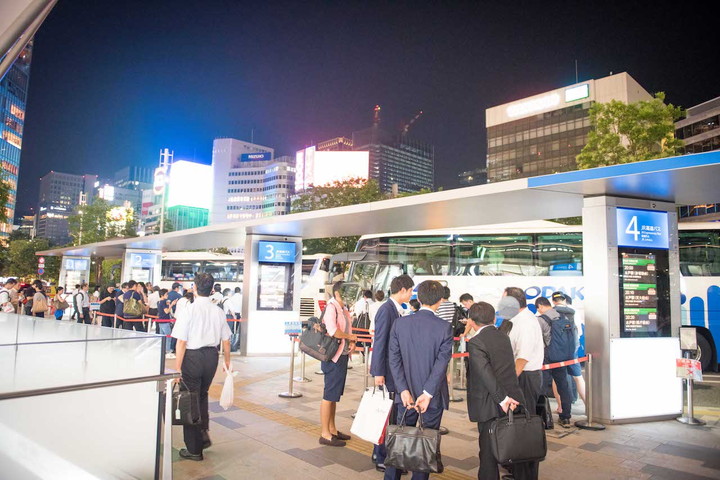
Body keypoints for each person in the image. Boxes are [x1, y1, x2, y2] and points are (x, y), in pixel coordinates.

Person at [385, 280, 453, 480]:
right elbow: (441, 364)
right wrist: (427, 393)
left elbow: (394, 360)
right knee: (426, 444)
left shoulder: (401, 323)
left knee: (399, 440)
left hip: (405, 397)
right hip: (431, 399)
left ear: (418, 297)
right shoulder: (444, 328)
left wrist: (403, 390)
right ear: (440, 301)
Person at [172, 273, 232, 461]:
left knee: (190, 400)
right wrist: (227, 361)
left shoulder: (188, 310)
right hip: (211, 357)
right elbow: (226, 340)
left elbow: (181, 342)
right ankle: (203, 434)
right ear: (212, 289)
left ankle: (194, 449)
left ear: (195, 288)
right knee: (202, 396)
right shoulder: (218, 311)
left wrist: (176, 369)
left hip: (193, 357)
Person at [465, 302, 524, 480]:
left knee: (488, 451)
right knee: (508, 441)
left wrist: (502, 399)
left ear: (471, 322)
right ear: (494, 319)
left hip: (491, 403)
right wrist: (507, 398)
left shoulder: (476, 342)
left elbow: (485, 374)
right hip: (511, 399)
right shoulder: (503, 336)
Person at [370, 274, 414, 472]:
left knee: (388, 413)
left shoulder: (396, 309)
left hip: (390, 370)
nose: (412, 294)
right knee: (386, 415)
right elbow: (379, 342)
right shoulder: (386, 310)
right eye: (411, 290)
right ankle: (381, 456)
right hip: (386, 372)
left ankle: (379, 452)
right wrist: (378, 372)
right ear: (403, 290)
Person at [503, 287, 544, 479]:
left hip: (525, 377)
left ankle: (526, 474)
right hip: (522, 377)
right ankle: (518, 469)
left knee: (524, 427)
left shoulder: (526, 322)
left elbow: (522, 358)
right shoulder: (518, 320)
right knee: (518, 425)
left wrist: (510, 383)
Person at [319, 281, 358, 447]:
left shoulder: (343, 309)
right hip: (332, 357)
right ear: (337, 293)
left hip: (341, 356)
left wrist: (351, 340)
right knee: (328, 396)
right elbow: (333, 330)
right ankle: (325, 433)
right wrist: (350, 338)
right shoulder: (331, 307)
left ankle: (333, 429)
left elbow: (347, 330)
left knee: (334, 395)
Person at [535, 296, 573, 428]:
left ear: (540, 306)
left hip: (546, 356)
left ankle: (543, 418)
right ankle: (566, 417)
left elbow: (537, 340)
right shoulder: (562, 316)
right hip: (561, 356)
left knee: (542, 387)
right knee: (563, 385)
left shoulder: (541, 319)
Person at [551, 292, 585, 407]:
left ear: (553, 301)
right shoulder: (574, 311)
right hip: (572, 349)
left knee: (557, 379)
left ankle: (561, 407)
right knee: (578, 378)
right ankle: (589, 407)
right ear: (565, 300)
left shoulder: (551, 312)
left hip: (557, 350)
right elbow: (579, 332)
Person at [157, 289, 174, 357]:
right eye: (166, 294)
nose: (167, 295)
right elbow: (166, 311)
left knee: (163, 337)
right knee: (168, 336)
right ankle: (168, 350)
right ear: (162, 295)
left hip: (160, 321)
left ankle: (163, 350)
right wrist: (171, 305)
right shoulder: (163, 302)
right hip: (165, 321)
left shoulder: (159, 302)